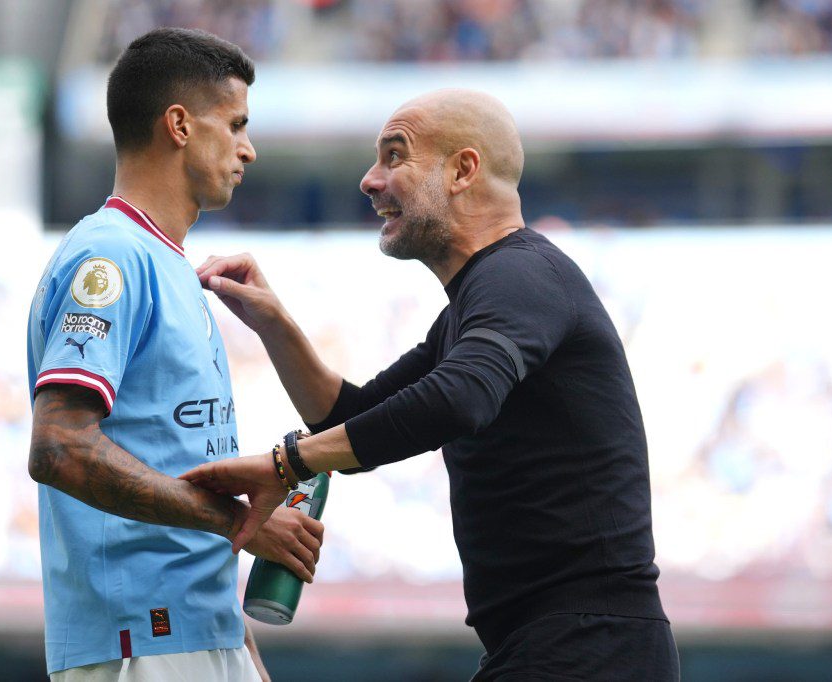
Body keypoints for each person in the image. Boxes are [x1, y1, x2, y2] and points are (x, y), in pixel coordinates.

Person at [181, 89, 680, 680]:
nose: (370, 181)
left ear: (463, 170)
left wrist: (289, 462)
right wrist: (274, 322)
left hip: (589, 648)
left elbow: (461, 397)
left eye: (395, 157)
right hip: (562, 646)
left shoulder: (520, 276)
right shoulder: (483, 299)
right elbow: (353, 415)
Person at [26, 28, 323, 682]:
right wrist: (244, 523)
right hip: (140, 637)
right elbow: (59, 447)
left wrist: (241, 649)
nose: (248, 147)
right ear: (180, 124)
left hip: (196, 629)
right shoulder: (108, 259)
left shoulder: (172, 265)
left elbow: (174, 463)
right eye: (236, 124)